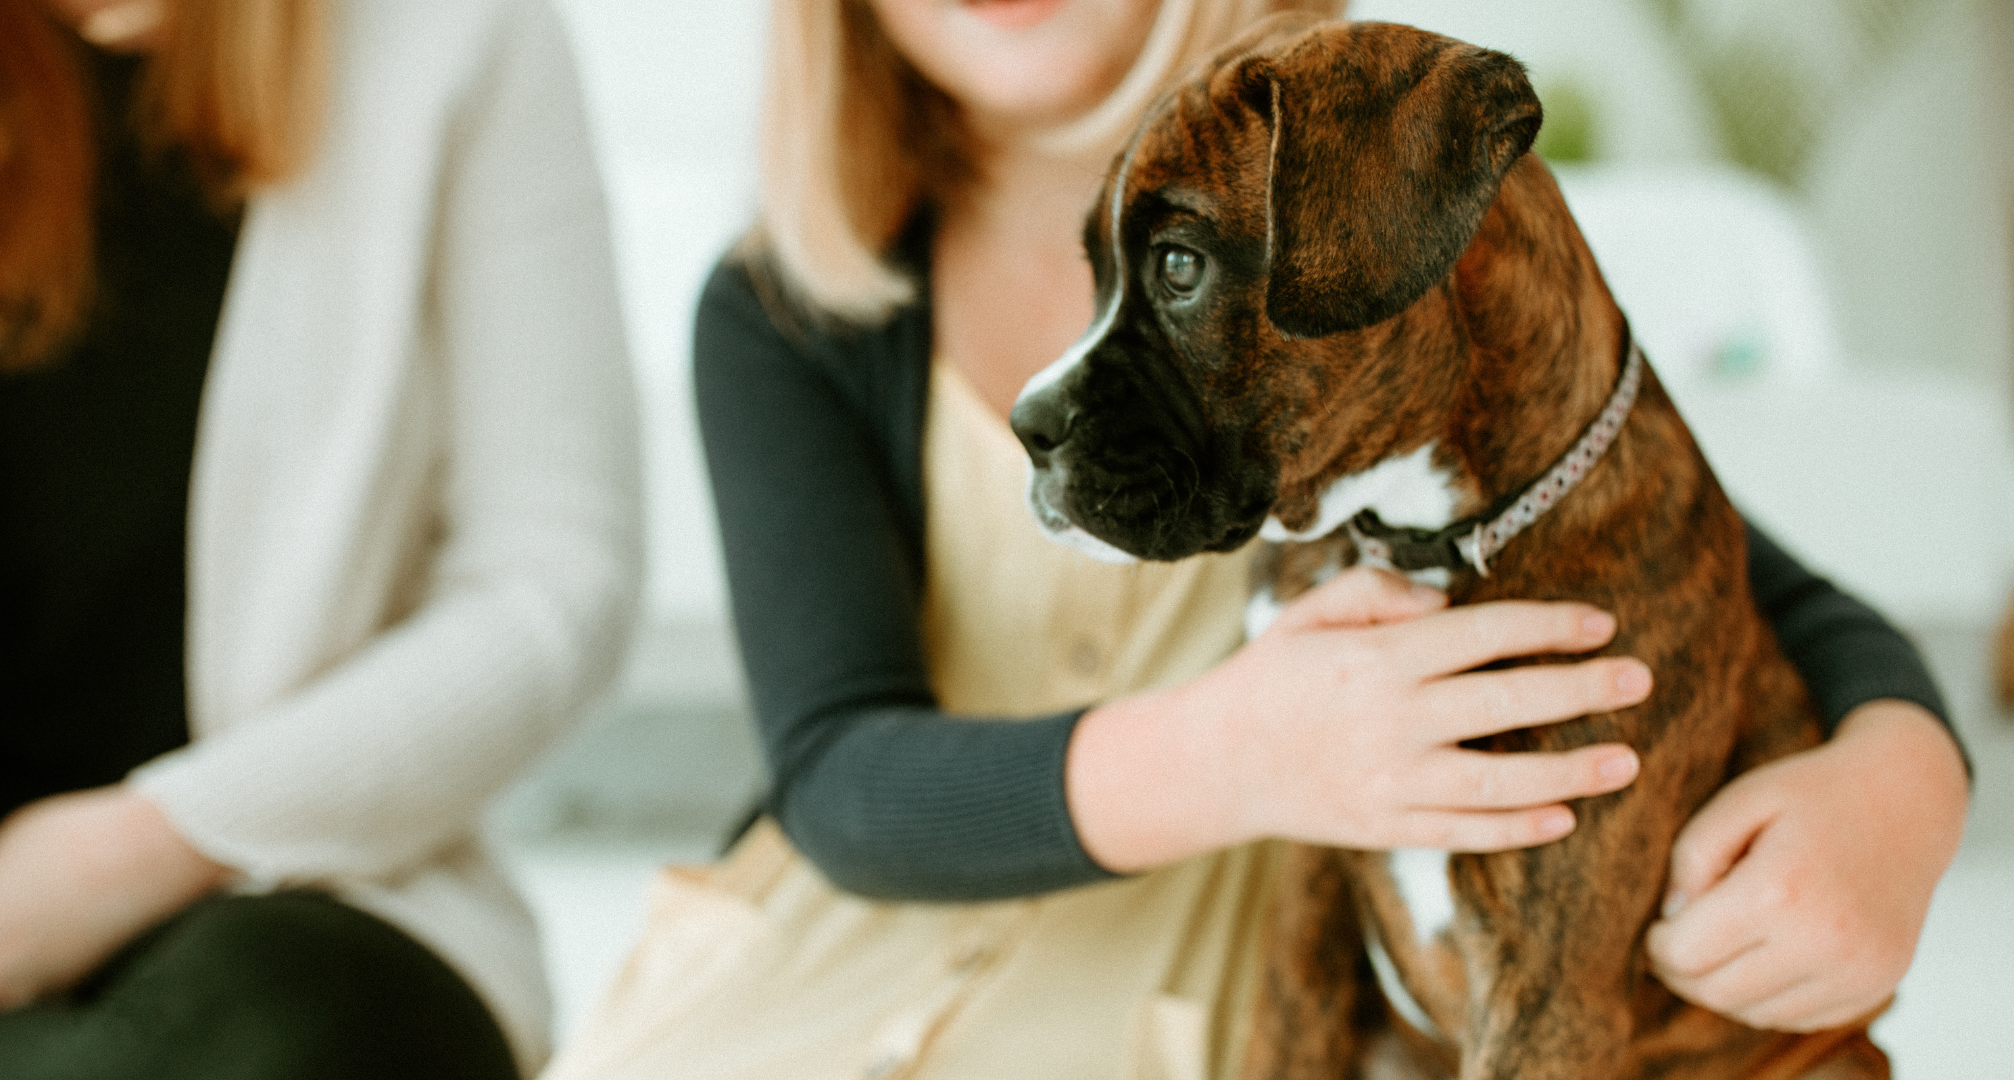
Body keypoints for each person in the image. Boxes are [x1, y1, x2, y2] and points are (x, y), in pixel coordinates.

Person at [549, 1, 1969, 1077]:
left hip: (1162, 1024)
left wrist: (1903, 787)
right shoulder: (789, 303)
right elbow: (839, 775)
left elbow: (1680, 545)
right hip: (807, 984)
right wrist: (1246, 749)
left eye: (1174, 276)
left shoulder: (1348, 169)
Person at [0, 0, 639, 1076]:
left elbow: (555, 586)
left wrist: (151, 842)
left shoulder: (462, 36)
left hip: (314, 901)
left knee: (262, 1034)